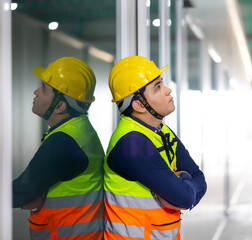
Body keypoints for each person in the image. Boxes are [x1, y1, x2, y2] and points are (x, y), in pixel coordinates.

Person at [104, 56, 207, 240]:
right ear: (138, 105)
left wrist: (181, 188)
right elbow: (184, 197)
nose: (168, 90)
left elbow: (199, 180)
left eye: (162, 84)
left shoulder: (162, 131)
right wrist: (182, 180)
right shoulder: (131, 144)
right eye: (157, 87)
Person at [12, 57, 105, 240]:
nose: (36, 92)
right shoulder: (80, 130)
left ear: (60, 106)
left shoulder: (64, 142)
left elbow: (20, 193)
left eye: (44, 89)